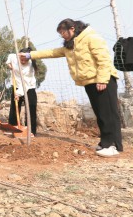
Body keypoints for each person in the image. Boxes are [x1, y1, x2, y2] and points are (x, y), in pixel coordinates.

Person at [20, 18, 123, 157]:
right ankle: (106, 143)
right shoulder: (71, 45)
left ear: (72, 29)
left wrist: (103, 80)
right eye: (60, 33)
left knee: (108, 114)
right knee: (100, 114)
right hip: (89, 82)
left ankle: (112, 145)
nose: (62, 35)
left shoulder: (92, 37)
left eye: (63, 32)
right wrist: (29, 55)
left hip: (104, 80)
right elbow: (52, 52)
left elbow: (104, 59)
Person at [6, 47, 38, 136]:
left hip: (29, 86)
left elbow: (26, 84)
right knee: (14, 107)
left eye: (25, 60)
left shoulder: (29, 68)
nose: (23, 61)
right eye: (21, 59)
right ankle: (12, 128)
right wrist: (9, 65)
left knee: (31, 107)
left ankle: (31, 131)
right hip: (16, 84)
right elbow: (9, 58)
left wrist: (19, 94)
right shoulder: (14, 57)